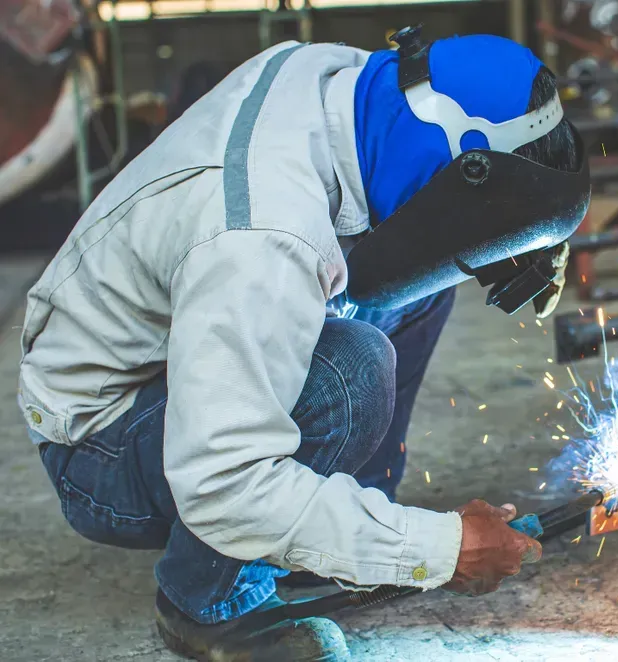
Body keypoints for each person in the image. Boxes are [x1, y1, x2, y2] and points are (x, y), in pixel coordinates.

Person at [17, 27, 589, 662]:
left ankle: (337, 534)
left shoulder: (345, 88)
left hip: (187, 342)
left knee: (429, 273)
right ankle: (208, 604)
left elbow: (438, 182)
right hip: (102, 444)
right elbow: (223, 484)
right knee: (350, 376)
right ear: (462, 165)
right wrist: (437, 550)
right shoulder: (260, 237)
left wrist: (516, 236)